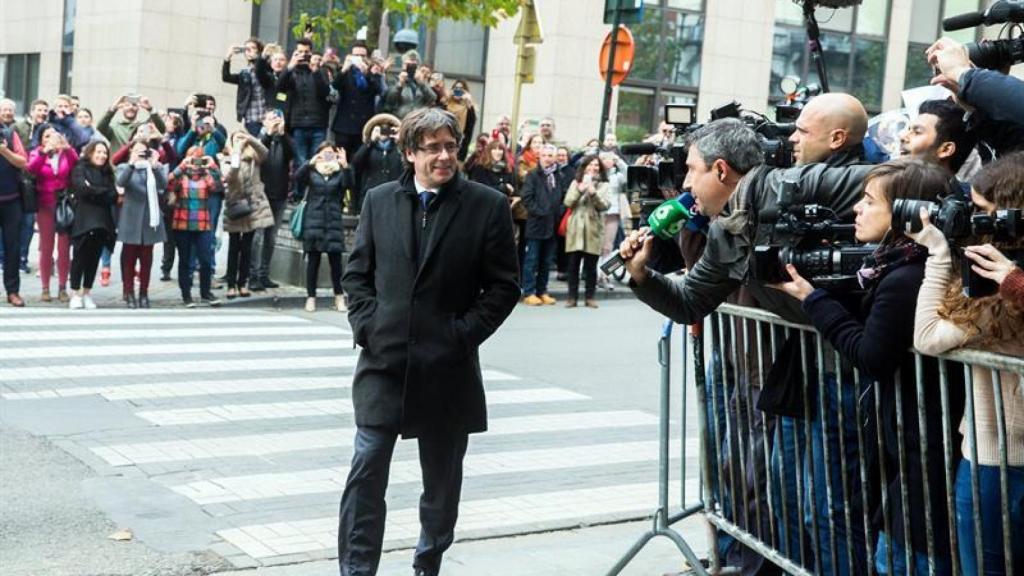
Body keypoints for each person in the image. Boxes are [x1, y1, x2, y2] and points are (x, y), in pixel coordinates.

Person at [339, 106, 519, 576]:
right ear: (408, 152)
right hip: (384, 365)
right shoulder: (379, 201)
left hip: (447, 370)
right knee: (366, 471)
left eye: (450, 146)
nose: (444, 156)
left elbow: (504, 288)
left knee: (441, 484)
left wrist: (461, 335)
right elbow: (357, 275)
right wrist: (369, 326)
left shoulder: (486, 205)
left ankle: (427, 562)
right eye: (432, 148)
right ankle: (356, 569)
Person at [771, 158, 963, 575]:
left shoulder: (906, 278)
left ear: (909, 213)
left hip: (922, 448)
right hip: (915, 444)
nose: (857, 208)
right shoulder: (899, 266)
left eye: (870, 200)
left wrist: (814, 300)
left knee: (901, 558)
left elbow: (872, 356)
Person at [911, 152, 1024, 576]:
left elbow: (927, 336)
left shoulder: (1002, 291)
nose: (970, 222)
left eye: (980, 211)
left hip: (1000, 461)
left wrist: (939, 256)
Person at [296, 143, 352, 313]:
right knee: (313, 262)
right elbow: (298, 178)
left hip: (333, 221)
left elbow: (349, 185)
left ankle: (339, 297)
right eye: (324, 153)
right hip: (314, 220)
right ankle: (311, 297)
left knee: (336, 264)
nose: (328, 156)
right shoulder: (312, 171)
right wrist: (310, 162)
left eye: (331, 153)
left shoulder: (339, 172)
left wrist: (345, 166)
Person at [26, 125, 78, 303]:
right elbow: (31, 169)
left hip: (63, 203)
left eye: (54, 135)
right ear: (41, 139)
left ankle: (63, 287)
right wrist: (44, 152)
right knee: (46, 247)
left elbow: (77, 164)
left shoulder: (64, 153)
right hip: (44, 204)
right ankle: (45, 287)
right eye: (47, 136)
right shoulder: (37, 152)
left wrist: (67, 147)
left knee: (64, 247)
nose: (51, 139)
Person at [115, 139, 168, 309]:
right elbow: (121, 182)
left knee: (146, 258)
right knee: (129, 257)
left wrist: (155, 165)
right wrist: (132, 164)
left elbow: (163, 185)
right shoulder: (125, 167)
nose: (139, 153)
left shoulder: (154, 168)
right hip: (131, 217)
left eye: (143, 150)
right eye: (136, 150)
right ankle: (129, 292)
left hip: (149, 218)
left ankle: (144, 293)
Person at [221, 132, 273, 298]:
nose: (240, 141)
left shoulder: (254, 157)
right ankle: (231, 284)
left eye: (241, 137)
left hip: (252, 206)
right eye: (236, 138)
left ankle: (242, 283)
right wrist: (235, 152)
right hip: (235, 205)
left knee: (247, 247)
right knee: (234, 247)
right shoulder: (225, 159)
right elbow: (231, 175)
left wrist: (250, 139)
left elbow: (265, 152)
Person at [168, 147, 222, 307]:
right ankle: (186, 294)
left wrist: (213, 166)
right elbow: (169, 182)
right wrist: (182, 166)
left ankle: (206, 292)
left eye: (199, 158)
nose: (195, 162)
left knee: (205, 260)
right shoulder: (181, 175)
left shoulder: (206, 176)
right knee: (185, 260)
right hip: (182, 223)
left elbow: (218, 186)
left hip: (202, 224)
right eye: (192, 158)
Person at [278, 38, 331, 198]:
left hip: (318, 123)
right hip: (298, 123)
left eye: (306, 52)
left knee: (318, 159)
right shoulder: (292, 72)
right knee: (300, 160)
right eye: (299, 52)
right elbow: (280, 87)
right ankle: (298, 193)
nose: (303, 55)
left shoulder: (320, 71)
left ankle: (314, 193)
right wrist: (290, 66)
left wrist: (315, 71)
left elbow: (326, 93)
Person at [67, 141, 117, 309]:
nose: (102, 155)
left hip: (103, 221)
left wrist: (93, 189)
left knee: (94, 259)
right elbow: (82, 189)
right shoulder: (80, 168)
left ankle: (87, 292)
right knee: (80, 257)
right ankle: (75, 292)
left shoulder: (107, 172)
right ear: (90, 152)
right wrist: (100, 191)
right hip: (84, 219)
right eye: (98, 152)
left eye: (105, 153)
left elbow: (112, 195)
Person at [251, 109, 294, 291]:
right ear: (264, 122)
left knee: (271, 238)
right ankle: (252, 275)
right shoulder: (259, 139)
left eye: (278, 119)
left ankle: (264, 274)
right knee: (257, 236)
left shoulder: (285, 140)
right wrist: (269, 134)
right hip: (261, 195)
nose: (275, 122)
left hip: (279, 195)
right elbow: (259, 154)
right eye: (271, 119)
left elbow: (294, 154)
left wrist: (282, 134)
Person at [563, 154, 609, 308]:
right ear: (584, 168)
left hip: (593, 228)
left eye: (596, 165)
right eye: (590, 165)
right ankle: (572, 297)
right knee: (573, 266)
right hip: (575, 228)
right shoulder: (575, 183)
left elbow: (604, 206)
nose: (593, 168)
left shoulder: (604, 185)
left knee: (591, 266)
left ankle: (590, 296)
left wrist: (593, 193)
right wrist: (580, 189)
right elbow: (568, 202)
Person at [519, 144, 562, 306]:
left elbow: (563, 196)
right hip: (536, 224)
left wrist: (558, 212)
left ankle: (542, 291)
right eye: (545, 155)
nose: (547, 158)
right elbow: (526, 198)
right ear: (540, 157)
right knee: (532, 260)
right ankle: (529, 292)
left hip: (553, 225)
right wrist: (541, 212)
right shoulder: (532, 175)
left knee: (546, 261)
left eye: (551, 155)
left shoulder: (559, 175)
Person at [331, 41, 384, 162]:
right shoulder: (345, 72)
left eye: (362, 56)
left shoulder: (371, 73)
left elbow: (379, 91)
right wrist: (344, 69)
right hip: (344, 126)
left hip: (363, 126)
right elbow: (334, 86)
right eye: (356, 55)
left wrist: (368, 74)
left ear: (367, 58)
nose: (359, 58)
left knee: (360, 161)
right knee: (340, 160)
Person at [0, 103, 28, 307]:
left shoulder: (10, 134)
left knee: (13, 248)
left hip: (11, 200)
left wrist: (4, 151)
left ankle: (12, 291)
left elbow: (23, 161)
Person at [350, 114, 403, 215]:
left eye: (387, 129)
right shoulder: (368, 148)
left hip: (395, 194)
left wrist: (401, 141)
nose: (384, 132)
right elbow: (356, 163)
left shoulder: (399, 149)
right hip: (372, 193)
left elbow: (410, 163)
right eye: (380, 129)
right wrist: (370, 142)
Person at [223, 38, 276, 136]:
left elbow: (262, 71)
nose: (249, 51)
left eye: (253, 48)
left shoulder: (267, 67)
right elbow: (226, 77)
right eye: (247, 49)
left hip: (267, 115)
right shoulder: (245, 73)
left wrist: (260, 58)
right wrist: (228, 57)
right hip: (251, 116)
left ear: (259, 51)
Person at [598, 151, 629, 289]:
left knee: (608, 246)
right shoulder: (597, 174)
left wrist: (619, 161)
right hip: (598, 212)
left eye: (610, 159)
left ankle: (604, 275)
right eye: (604, 158)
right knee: (597, 246)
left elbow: (628, 174)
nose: (607, 161)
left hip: (613, 212)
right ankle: (593, 274)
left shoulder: (617, 176)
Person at [97, 93, 166, 151]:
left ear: (138, 108)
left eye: (134, 105)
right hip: (118, 163)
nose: (131, 107)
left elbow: (161, 129)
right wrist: (113, 108)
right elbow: (100, 126)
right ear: (122, 107)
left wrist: (150, 109)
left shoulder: (144, 127)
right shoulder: (115, 127)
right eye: (127, 105)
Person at [381, 50, 436, 119]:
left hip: (419, 120)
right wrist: (399, 85)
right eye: (408, 65)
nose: (411, 68)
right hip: (401, 119)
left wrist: (421, 83)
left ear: (418, 67)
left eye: (413, 65)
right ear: (403, 65)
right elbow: (390, 100)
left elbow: (432, 98)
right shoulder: (394, 80)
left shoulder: (422, 82)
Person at [445, 79, 476, 161]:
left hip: (459, 148)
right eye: (456, 88)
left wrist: (469, 102)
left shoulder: (468, 109)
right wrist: (446, 97)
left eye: (461, 89)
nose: (458, 90)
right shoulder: (446, 105)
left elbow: (469, 131)